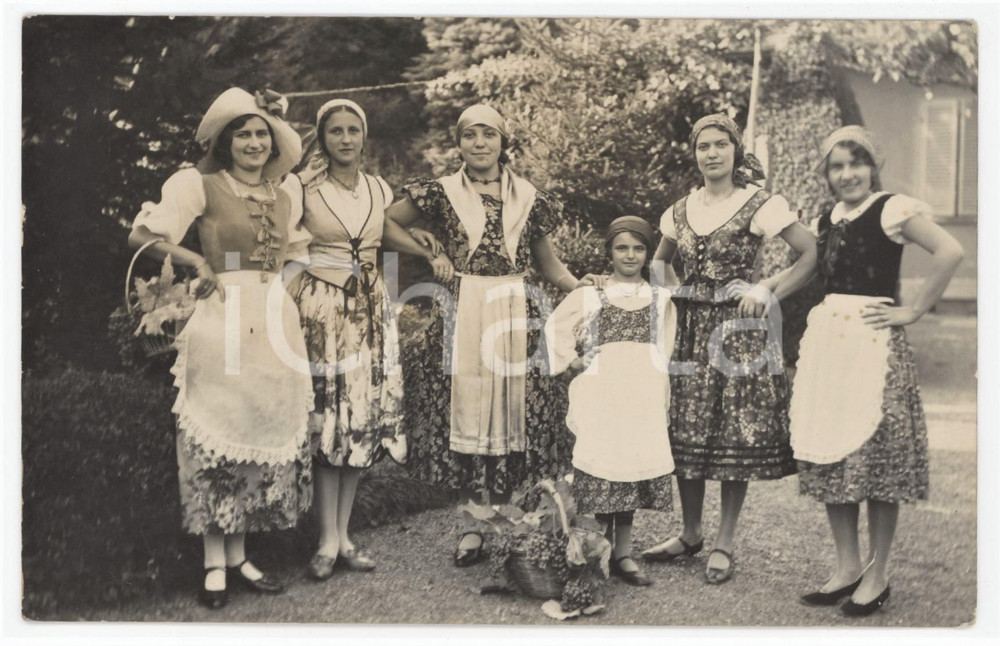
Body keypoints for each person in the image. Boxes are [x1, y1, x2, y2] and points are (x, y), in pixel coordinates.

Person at [128, 88, 312, 609]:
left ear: (273, 144)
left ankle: (240, 556)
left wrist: (283, 291)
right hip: (220, 318)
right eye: (243, 134)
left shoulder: (285, 193)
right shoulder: (200, 185)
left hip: (272, 324)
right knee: (215, 433)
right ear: (226, 142)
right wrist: (198, 263)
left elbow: (298, 252)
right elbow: (141, 235)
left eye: (261, 134)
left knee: (257, 425)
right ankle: (214, 562)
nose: (254, 143)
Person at [386, 104, 591, 566]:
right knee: (469, 413)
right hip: (462, 309)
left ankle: (506, 517)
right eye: (469, 136)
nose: (479, 144)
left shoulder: (527, 197)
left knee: (512, 415)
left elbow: (549, 265)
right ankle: (471, 525)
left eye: (488, 135)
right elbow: (384, 223)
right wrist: (428, 248)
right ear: (458, 143)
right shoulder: (440, 193)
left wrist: (585, 289)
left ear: (503, 142)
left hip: (516, 311)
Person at [790, 126, 963, 616]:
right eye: (837, 167)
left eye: (856, 163)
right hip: (830, 345)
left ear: (873, 165)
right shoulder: (828, 217)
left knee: (879, 459)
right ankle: (847, 568)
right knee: (832, 452)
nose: (848, 175)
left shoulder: (893, 208)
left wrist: (914, 311)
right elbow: (812, 269)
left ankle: (878, 572)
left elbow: (951, 251)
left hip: (873, 346)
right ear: (826, 175)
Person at [641, 114, 817, 585]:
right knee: (687, 427)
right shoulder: (679, 209)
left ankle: (724, 540)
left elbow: (811, 252)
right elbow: (659, 263)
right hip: (692, 329)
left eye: (721, 145)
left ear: (736, 152)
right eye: (704, 146)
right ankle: (691, 532)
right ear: (694, 153)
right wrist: (676, 295)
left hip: (739, 331)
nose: (712, 154)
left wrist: (768, 290)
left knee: (732, 430)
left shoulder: (758, 203)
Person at [281, 99, 452, 580]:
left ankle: (345, 536)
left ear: (364, 136)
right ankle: (324, 540)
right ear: (322, 137)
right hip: (320, 308)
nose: (345, 139)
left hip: (371, 310)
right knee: (327, 419)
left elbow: (381, 235)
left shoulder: (378, 188)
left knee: (359, 419)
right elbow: (281, 240)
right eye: (335, 131)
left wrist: (422, 241)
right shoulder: (302, 187)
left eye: (353, 130)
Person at [544, 216, 676, 587]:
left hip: (641, 395)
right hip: (603, 395)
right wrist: (573, 360)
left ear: (649, 254)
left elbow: (665, 347)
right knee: (602, 467)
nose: (630, 255)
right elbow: (555, 328)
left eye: (638, 248)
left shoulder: (660, 298)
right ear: (609, 252)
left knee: (630, 467)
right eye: (622, 248)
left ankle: (624, 552)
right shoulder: (592, 294)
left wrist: (656, 387)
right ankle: (593, 551)